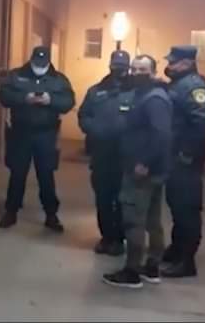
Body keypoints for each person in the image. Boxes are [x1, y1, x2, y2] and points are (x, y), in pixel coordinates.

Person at [103, 55, 172, 289]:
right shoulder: (146, 94)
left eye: (143, 69)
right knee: (152, 219)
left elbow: (161, 135)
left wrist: (145, 162)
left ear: (153, 72)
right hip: (149, 168)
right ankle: (151, 267)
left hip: (143, 170)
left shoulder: (154, 98)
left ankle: (132, 271)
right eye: (134, 69)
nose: (136, 73)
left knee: (134, 220)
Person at [0, 46, 75, 232]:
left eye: (43, 63)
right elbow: (4, 96)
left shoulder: (59, 79)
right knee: (17, 173)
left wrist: (51, 100)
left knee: (46, 174)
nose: (39, 66)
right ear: (31, 59)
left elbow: (69, 102)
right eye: (37, 62)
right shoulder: (16, 75)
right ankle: (11, 211)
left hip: (46, 134)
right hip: (20, 132)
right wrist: (25, 98)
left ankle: (51, 214)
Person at [161, 45, 205, 279]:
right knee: (176, 205)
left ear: (187, 63)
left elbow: (204, 123)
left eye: (173, 62)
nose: (169, 66)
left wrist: (187, 153)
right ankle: (177, 249)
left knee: (187, 208)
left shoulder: (194, 86)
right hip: (175, 155)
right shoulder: (178, 84)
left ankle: (186, 261)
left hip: (186, 158)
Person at [78, 50, 132, 256]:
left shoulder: (136, 91)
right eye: (116, 65)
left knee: (122, 200)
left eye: (123, 67)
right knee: (103, 198)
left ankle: (119, 238)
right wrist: (94, 129)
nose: (119, 70)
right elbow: (84, 115)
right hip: (101, 155)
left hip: (126, 156)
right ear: (110, 65)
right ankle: (106, 237)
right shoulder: (96, 91)